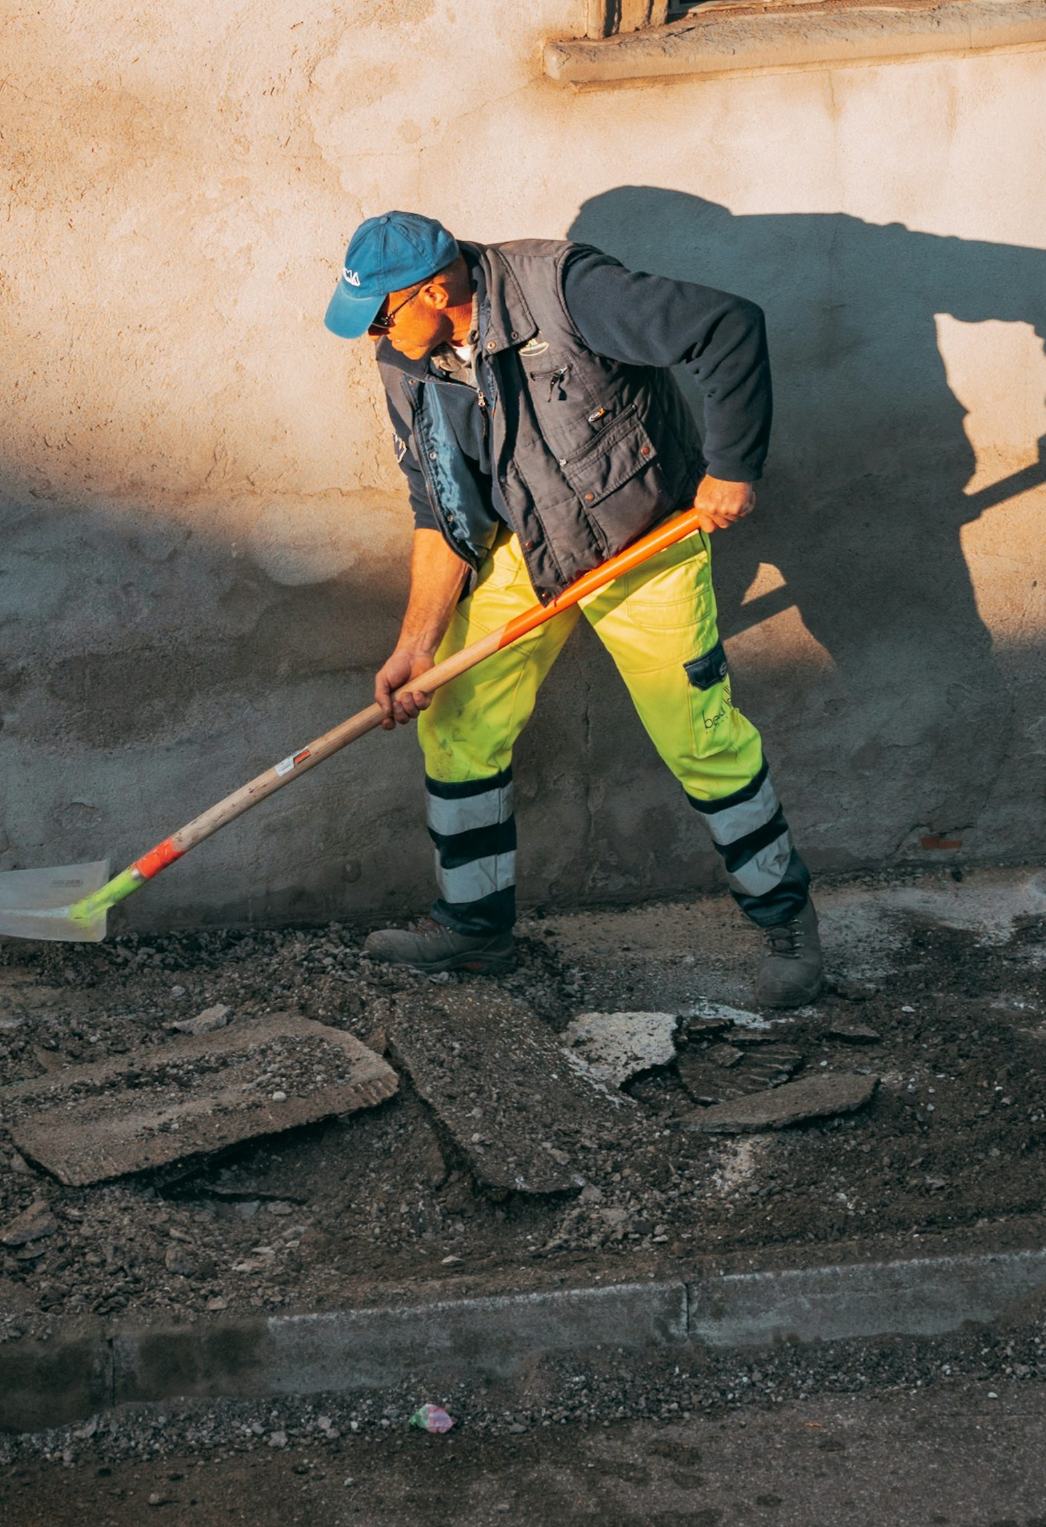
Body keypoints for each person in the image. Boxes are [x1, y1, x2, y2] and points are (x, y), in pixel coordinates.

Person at [324, 210, 821, 1008]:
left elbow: (727, 325)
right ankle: (475, 928)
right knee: (454, 721)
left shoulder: (564, 292)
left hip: (643, 543)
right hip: (526, 549)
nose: (371, 336)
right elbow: (440, 508)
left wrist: (732, 465)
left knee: (698, 735)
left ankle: (786, 923)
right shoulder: (407, 362)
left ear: (433, 289)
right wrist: (417, 644)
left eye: (380, 312)